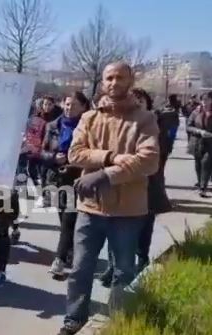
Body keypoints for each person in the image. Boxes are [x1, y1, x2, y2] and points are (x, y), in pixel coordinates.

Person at [58, 62, 159, 335]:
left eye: (120, 77)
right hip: (90, 209)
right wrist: (111, 158)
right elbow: (75, 154)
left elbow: (148, 161)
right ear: (103, 82)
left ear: (131, 80)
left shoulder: (145, 119)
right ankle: (74, 318)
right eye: (109, 78)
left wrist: (104, 175)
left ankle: (118, 321)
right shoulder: (90, 118)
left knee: (123, 271)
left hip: (128, 211)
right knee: (80, 269)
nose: (114, 82)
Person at [97, 88, 172, 287]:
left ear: (148, 104)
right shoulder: (121, 123)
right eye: (134, 99)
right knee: (114, 227)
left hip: (147, 185)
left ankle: (142, 261)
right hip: (120, 183)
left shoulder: (155, 126)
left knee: (143, 228)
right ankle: (112, 266)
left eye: (141, 100)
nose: (137, 103)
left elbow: (156, 156)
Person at [43, 92, 89, 277]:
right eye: (68, 104)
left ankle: (60, 259)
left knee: (69, 219)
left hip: (77, 178)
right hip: (56, 178)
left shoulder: (88, 126)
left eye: (75, 105)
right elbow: (42, 152)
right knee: (63, 218)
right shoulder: (53, 126)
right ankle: (69, 250)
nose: (70, 108)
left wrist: (74, 161)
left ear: (84, 107)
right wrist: (54, 157)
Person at [186, 91, 212, 197]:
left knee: (206, 163)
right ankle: (200, 183)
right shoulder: (195, 112)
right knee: (198, 165)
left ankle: (203, 187)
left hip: (210, 143)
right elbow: (189, 126)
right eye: (203, 100)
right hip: (197, 142)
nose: (204, 102)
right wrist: (200, 132)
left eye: (207, 99)